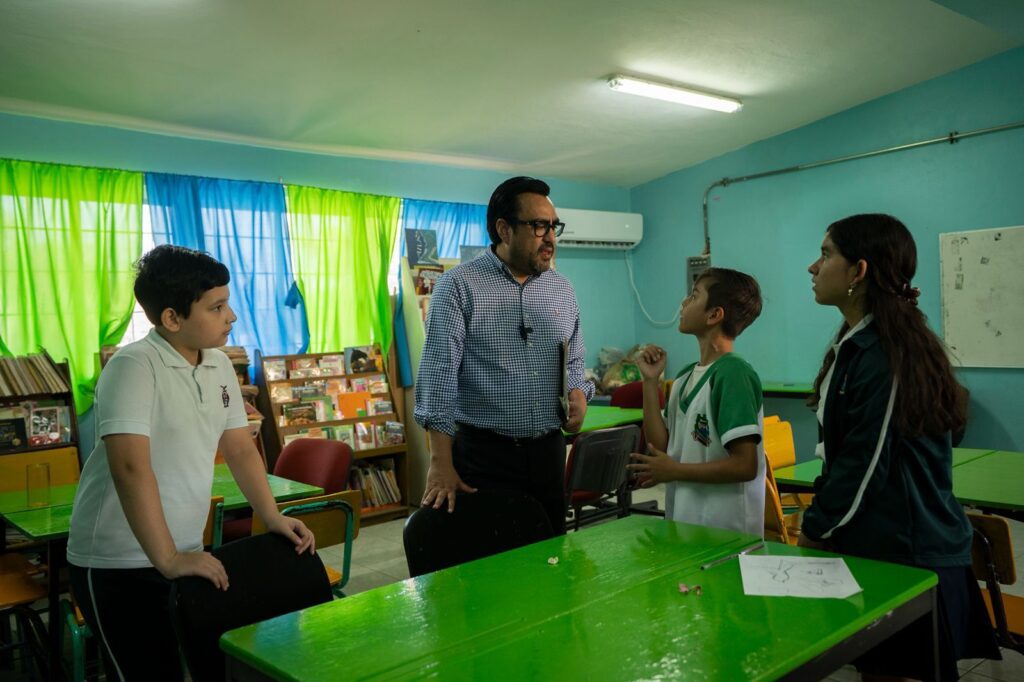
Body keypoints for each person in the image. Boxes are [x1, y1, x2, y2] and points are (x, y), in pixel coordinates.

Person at [67, 245, 315, 681]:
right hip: (118, 560)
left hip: (185, 553)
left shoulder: (218, 364)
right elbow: (130, 468)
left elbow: (239, 448)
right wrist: (167, 558)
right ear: (171, 318)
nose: (231, 316)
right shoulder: (133, 366)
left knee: (204, 666)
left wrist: (271, 516)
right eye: (216, 307)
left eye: (227, 303)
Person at [800, 213, 999, 680]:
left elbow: (863, 465)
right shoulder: (860, 342)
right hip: (879, 540)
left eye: (826, 254)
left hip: (908, 551)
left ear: (859, 271)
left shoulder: (885, 353)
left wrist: (814, 530)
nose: (813, 266)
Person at [414, 176, 593, 534]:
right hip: (484, 457)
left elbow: (573, 359)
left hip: (548, 452)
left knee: (549, 552)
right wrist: (440, 462)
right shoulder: (459, 286)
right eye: (539, 226)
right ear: (504, 229)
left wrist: (578, 393)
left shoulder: (561, 289)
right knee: (492, 555)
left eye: (554, 226)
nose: (550, 238)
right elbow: (438, 378)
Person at [629, 267, 766, 535]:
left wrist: (675, 470)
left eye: (693, 296)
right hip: (686, 525)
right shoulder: (684, 377)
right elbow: (661, 446)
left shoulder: (733, 373)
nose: (683, 303)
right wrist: (650, 382)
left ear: (714, 315)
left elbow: (745, 465)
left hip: (727, 532)